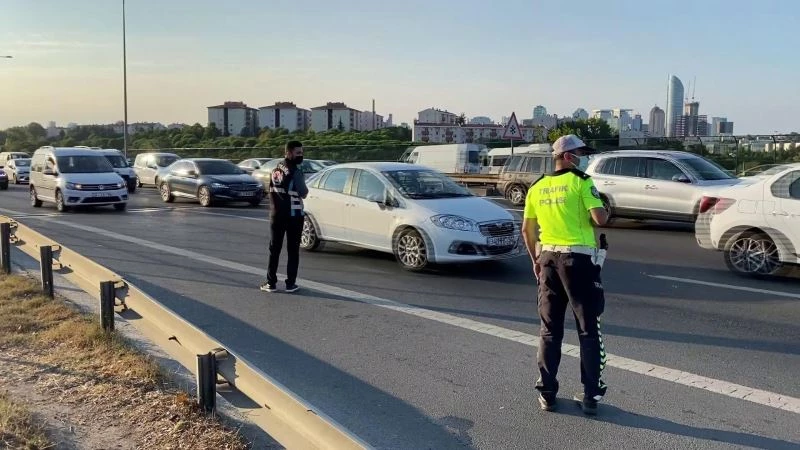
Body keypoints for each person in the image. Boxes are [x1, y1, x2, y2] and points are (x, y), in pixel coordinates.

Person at [521, 134, 610, 415]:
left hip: (547, 259)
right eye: (580, 153)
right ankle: (590, 396)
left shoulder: (538, 187)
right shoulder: (582, 182)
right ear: (569, 156)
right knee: (587, 329)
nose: (583, 158)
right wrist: (602, 206)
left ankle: (547, 392)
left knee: (550, 330)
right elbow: (600, 219)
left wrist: (536, 259)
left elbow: (527, 230)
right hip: (578, 261)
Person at [261, 141, 308, 293]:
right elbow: (304, 193)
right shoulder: (296, 172)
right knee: (293, 250)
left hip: (276, 214)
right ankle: (290, 284)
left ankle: (270, 283)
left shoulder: (275, 169)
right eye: (298, 153)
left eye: (301, 152)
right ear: (288, 153)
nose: (300, 156)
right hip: (294, 215)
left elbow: (272, 189)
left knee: (274, 249)